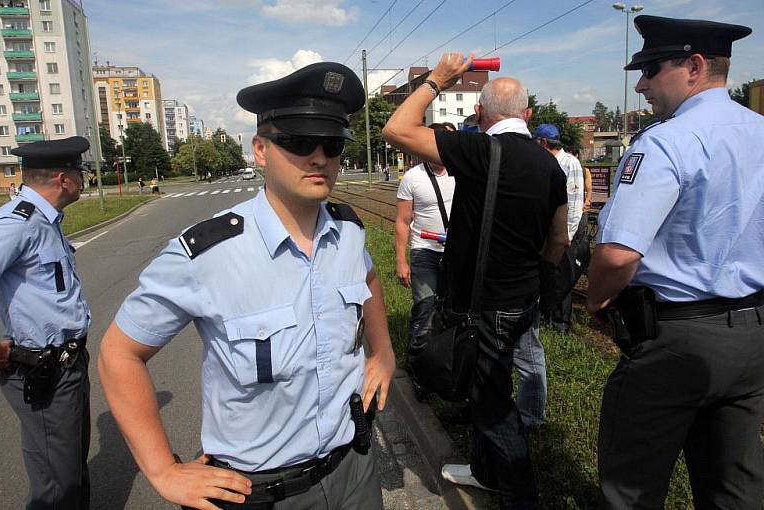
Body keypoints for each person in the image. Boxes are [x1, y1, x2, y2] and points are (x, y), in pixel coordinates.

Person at [98, 62, 395, 509]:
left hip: (353, 471)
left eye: (332, 144)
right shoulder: (208, 252)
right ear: (260, 150)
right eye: (298, 142)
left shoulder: (347, 232)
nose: (319, 157)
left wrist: (383, 353)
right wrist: (163, 470)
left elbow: (368, 278)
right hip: (259, 494)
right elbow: (119, 354)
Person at [586, 15, 764, 508]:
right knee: (734, 485)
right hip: (751, 338)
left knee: (631, 488)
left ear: (694, 66)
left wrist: (597, 300)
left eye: (650, 68)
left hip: (677, 342)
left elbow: (619, 253)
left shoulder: (666, 141)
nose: (641, 84)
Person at [383, 54, 569, 508]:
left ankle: (521, 495)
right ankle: (486, 472)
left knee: (491, 401)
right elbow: (558, 242)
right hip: (525, 298)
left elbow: (396, 129)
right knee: (496, 380)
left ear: (481, 115)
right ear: (528, 115)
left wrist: (437, 80)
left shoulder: (479, 150)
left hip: (487, 304)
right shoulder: (551, 166)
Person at [0, 137, 92, 509]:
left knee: (69, 471)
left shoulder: (44, 221)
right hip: (43, 370)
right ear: (63, 179)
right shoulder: (14, 224)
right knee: (56, 488)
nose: (84, 181)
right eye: (80, 173)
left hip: (67, 365)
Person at [395, 122, 456, 339]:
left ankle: (445, 360)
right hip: (424, 251)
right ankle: (418, 365)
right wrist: (401, 261)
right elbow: (402, 221)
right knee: (425, 309)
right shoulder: (413, 177)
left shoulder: (461, 170)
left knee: (453, 310)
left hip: (456, 252)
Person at [533, 123, 585, 333]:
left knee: (562, 275)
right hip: (547, 231)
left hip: (563, 234)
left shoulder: (569, 163)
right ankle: (546, 314)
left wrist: (568, 234)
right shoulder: (543, 162)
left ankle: (561, 321)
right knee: (549, 274)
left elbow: (574, 201)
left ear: (543, 142)